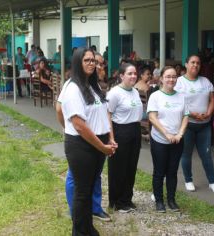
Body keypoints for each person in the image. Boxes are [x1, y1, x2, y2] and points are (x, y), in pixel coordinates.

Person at [57, 47, 117, 235]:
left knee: (90, 187)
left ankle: (87, 227)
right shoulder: (72, 88)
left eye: (94, 60)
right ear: (77, 62)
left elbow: (103, 114)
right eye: (87, 60)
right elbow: (79, 125)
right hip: (82, 145)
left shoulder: (93, 85)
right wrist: (103, 147)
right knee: (82, 192)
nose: (92, 63)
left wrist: (110, 138)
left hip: (98, 143)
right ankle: (79, 231)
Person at [174, 54, 214, 193]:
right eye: (192, 62)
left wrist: (209, 112)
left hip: (204, 125)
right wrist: (193, 114)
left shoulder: (205, 81)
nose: (195, 65)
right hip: (188, 124)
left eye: (198, 63)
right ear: (186, 64)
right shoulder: (179, 82)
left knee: (206, 154)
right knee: (186, 154)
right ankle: (188, 180)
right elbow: (177, 103)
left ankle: (212, 182)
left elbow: (212, 99)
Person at [148, 66, 189, 212]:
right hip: (159, 140)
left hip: (177, 141)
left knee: (172, 171)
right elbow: (152, 117)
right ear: (161, 79)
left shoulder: (181, 96)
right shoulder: (155, 96)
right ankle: (159, 201)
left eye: (174, 76)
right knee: (159, 171)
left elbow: (185, 116)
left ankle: (171, 200)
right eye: (168, 76)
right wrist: (166, 134)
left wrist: (180, 134)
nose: (171, 79)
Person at [106, 63, 143, 213]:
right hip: (120, 131)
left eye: (135, 73)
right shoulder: (114, 93)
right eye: (130, 73)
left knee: (131, 167)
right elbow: (107, 114)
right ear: (121, 76)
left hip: (135, 130)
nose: (133, 76)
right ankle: (116, 202)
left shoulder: (134, 91)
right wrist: (111, 137)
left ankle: (127, 199)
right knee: (118, 168)